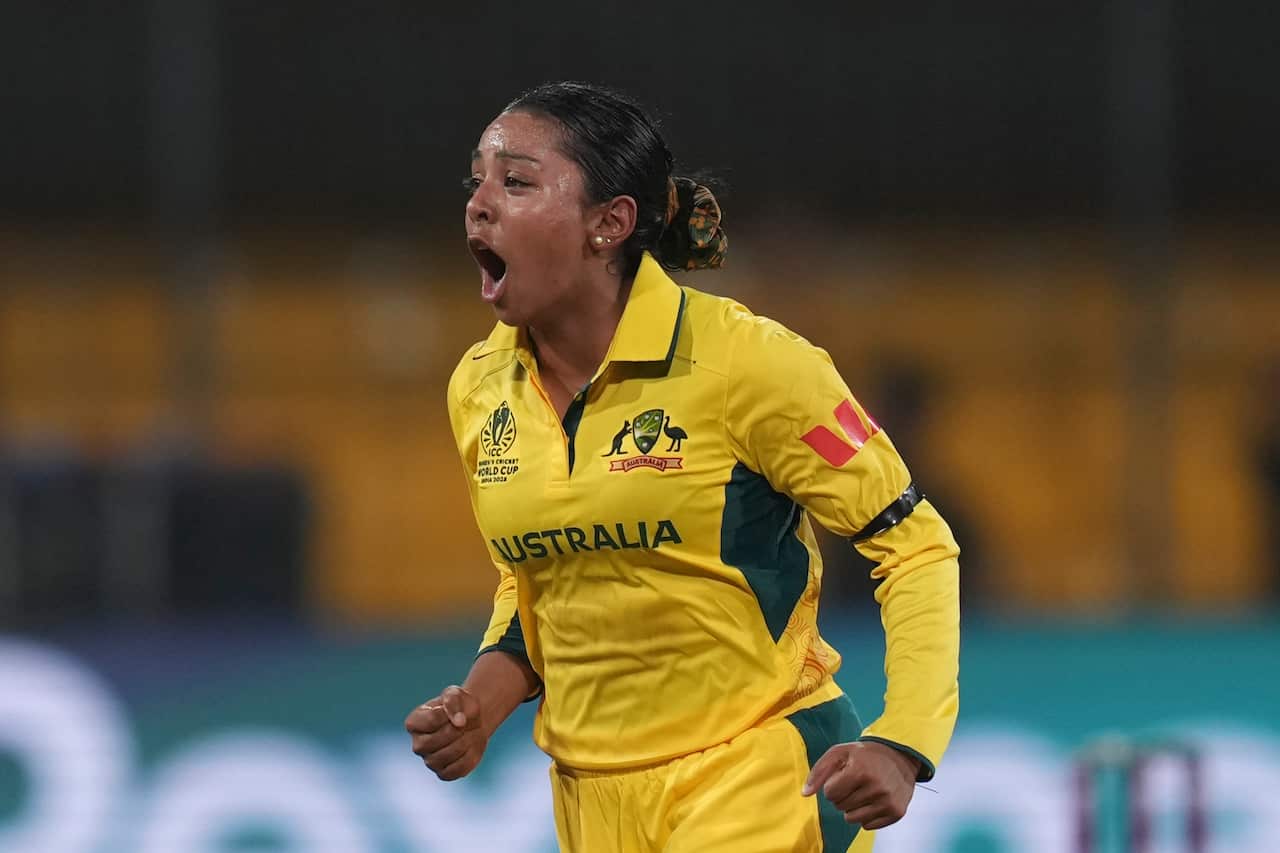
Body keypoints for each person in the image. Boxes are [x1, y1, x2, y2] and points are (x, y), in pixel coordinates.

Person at [405, 81, 960, 853]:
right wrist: (482, 705)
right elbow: (538, 577)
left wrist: (904, 741)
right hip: (590, 800)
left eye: (517, 181)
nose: (479, 203)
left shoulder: (747, 364)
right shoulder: (478, 388)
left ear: (610, 224)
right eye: (478, 181)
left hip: (761, 776)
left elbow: (916, 542)